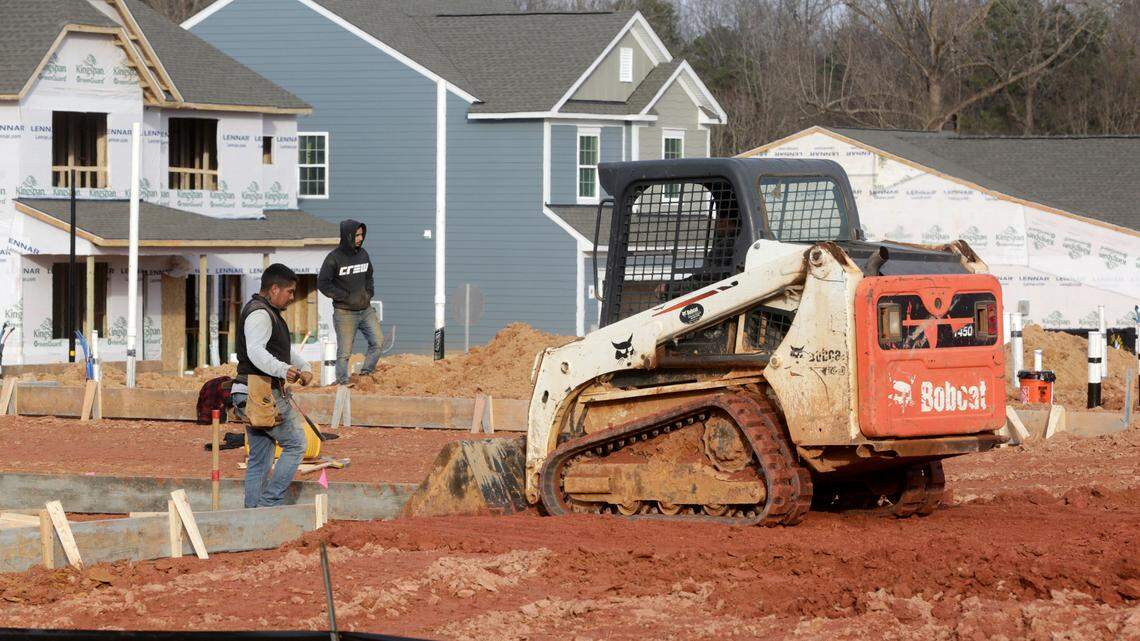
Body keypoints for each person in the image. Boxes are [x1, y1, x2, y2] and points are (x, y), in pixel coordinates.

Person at [230, 263, 313, 508]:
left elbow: (282, 352)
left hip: (250, 393)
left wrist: (303, 366)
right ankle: (269, 505)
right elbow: (256, 352)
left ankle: (253, 515)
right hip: (261, 393)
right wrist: (283, 370)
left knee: (260, 458)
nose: (292, 297)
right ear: (274, 289)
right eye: (289, 291)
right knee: (297, 444)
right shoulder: (260, 314)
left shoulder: (268, 313)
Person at [318, 220, 381, 386]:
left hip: (366, 310)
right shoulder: (333, 258)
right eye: (357, 235)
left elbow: (369, 276)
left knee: (378, 342)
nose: (360, 238)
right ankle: (343, 381)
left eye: (362, 235)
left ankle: (366, 374)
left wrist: (368, 294)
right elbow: (323, 284)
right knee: (344, 352)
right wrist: (343, 296)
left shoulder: (363, 254)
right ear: (348, 235)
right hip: (344, 313)